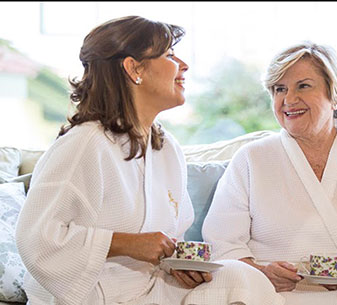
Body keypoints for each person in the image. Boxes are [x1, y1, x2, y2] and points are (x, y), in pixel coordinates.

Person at [15, 16, 283, 305]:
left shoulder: (166, 148)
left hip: (153, 291)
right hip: (94, 297)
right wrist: (123, 244)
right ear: (133, 68)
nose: (183, 65)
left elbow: (169, 240)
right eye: (169, 54)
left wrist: (181, 266)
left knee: (241, 277)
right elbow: (36, 239)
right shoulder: (84, 144)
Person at [202, 41, 337, 305]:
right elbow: (223, 244)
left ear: (334, 94)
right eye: (280, 89)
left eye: (303, 86)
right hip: (265, 296)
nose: (289, 100)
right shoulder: (251, 158)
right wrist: (262, 274)